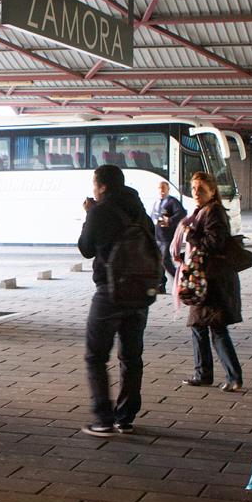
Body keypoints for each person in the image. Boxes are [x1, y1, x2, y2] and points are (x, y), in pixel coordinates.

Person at [78, 164, 154, 436]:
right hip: (140, 292)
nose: (94, 190)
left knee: (95, 356)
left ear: (104, 186)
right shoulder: (140, 210)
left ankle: (103, 419)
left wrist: (89, 214)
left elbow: (86, 249)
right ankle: (125, 417)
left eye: (95, 185)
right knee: (131, 357)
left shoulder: (99, 211)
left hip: (110, 293)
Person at [179, 171, 244, 392]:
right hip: (207, 279)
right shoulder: (204, 211)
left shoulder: (213, 212)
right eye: (194, 188)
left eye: (201, 189)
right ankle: (205, 373)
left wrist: (191, 235)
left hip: (213, 282)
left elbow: (214, 243)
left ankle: (231, 377)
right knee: (201, 326)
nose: (196, 192)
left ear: (212, 191)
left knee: (214, 328)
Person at [152, 181, 186, 294]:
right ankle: (161, 285)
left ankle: (181, 282)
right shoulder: (157, 202)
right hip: (158, 236)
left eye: (164, 189)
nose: (161, 191)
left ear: (168, 190)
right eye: (159, 188)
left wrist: (170, 221)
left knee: (165, 261)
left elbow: (181, 213)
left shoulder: (172, 201)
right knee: (158, 262)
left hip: (167, 237)